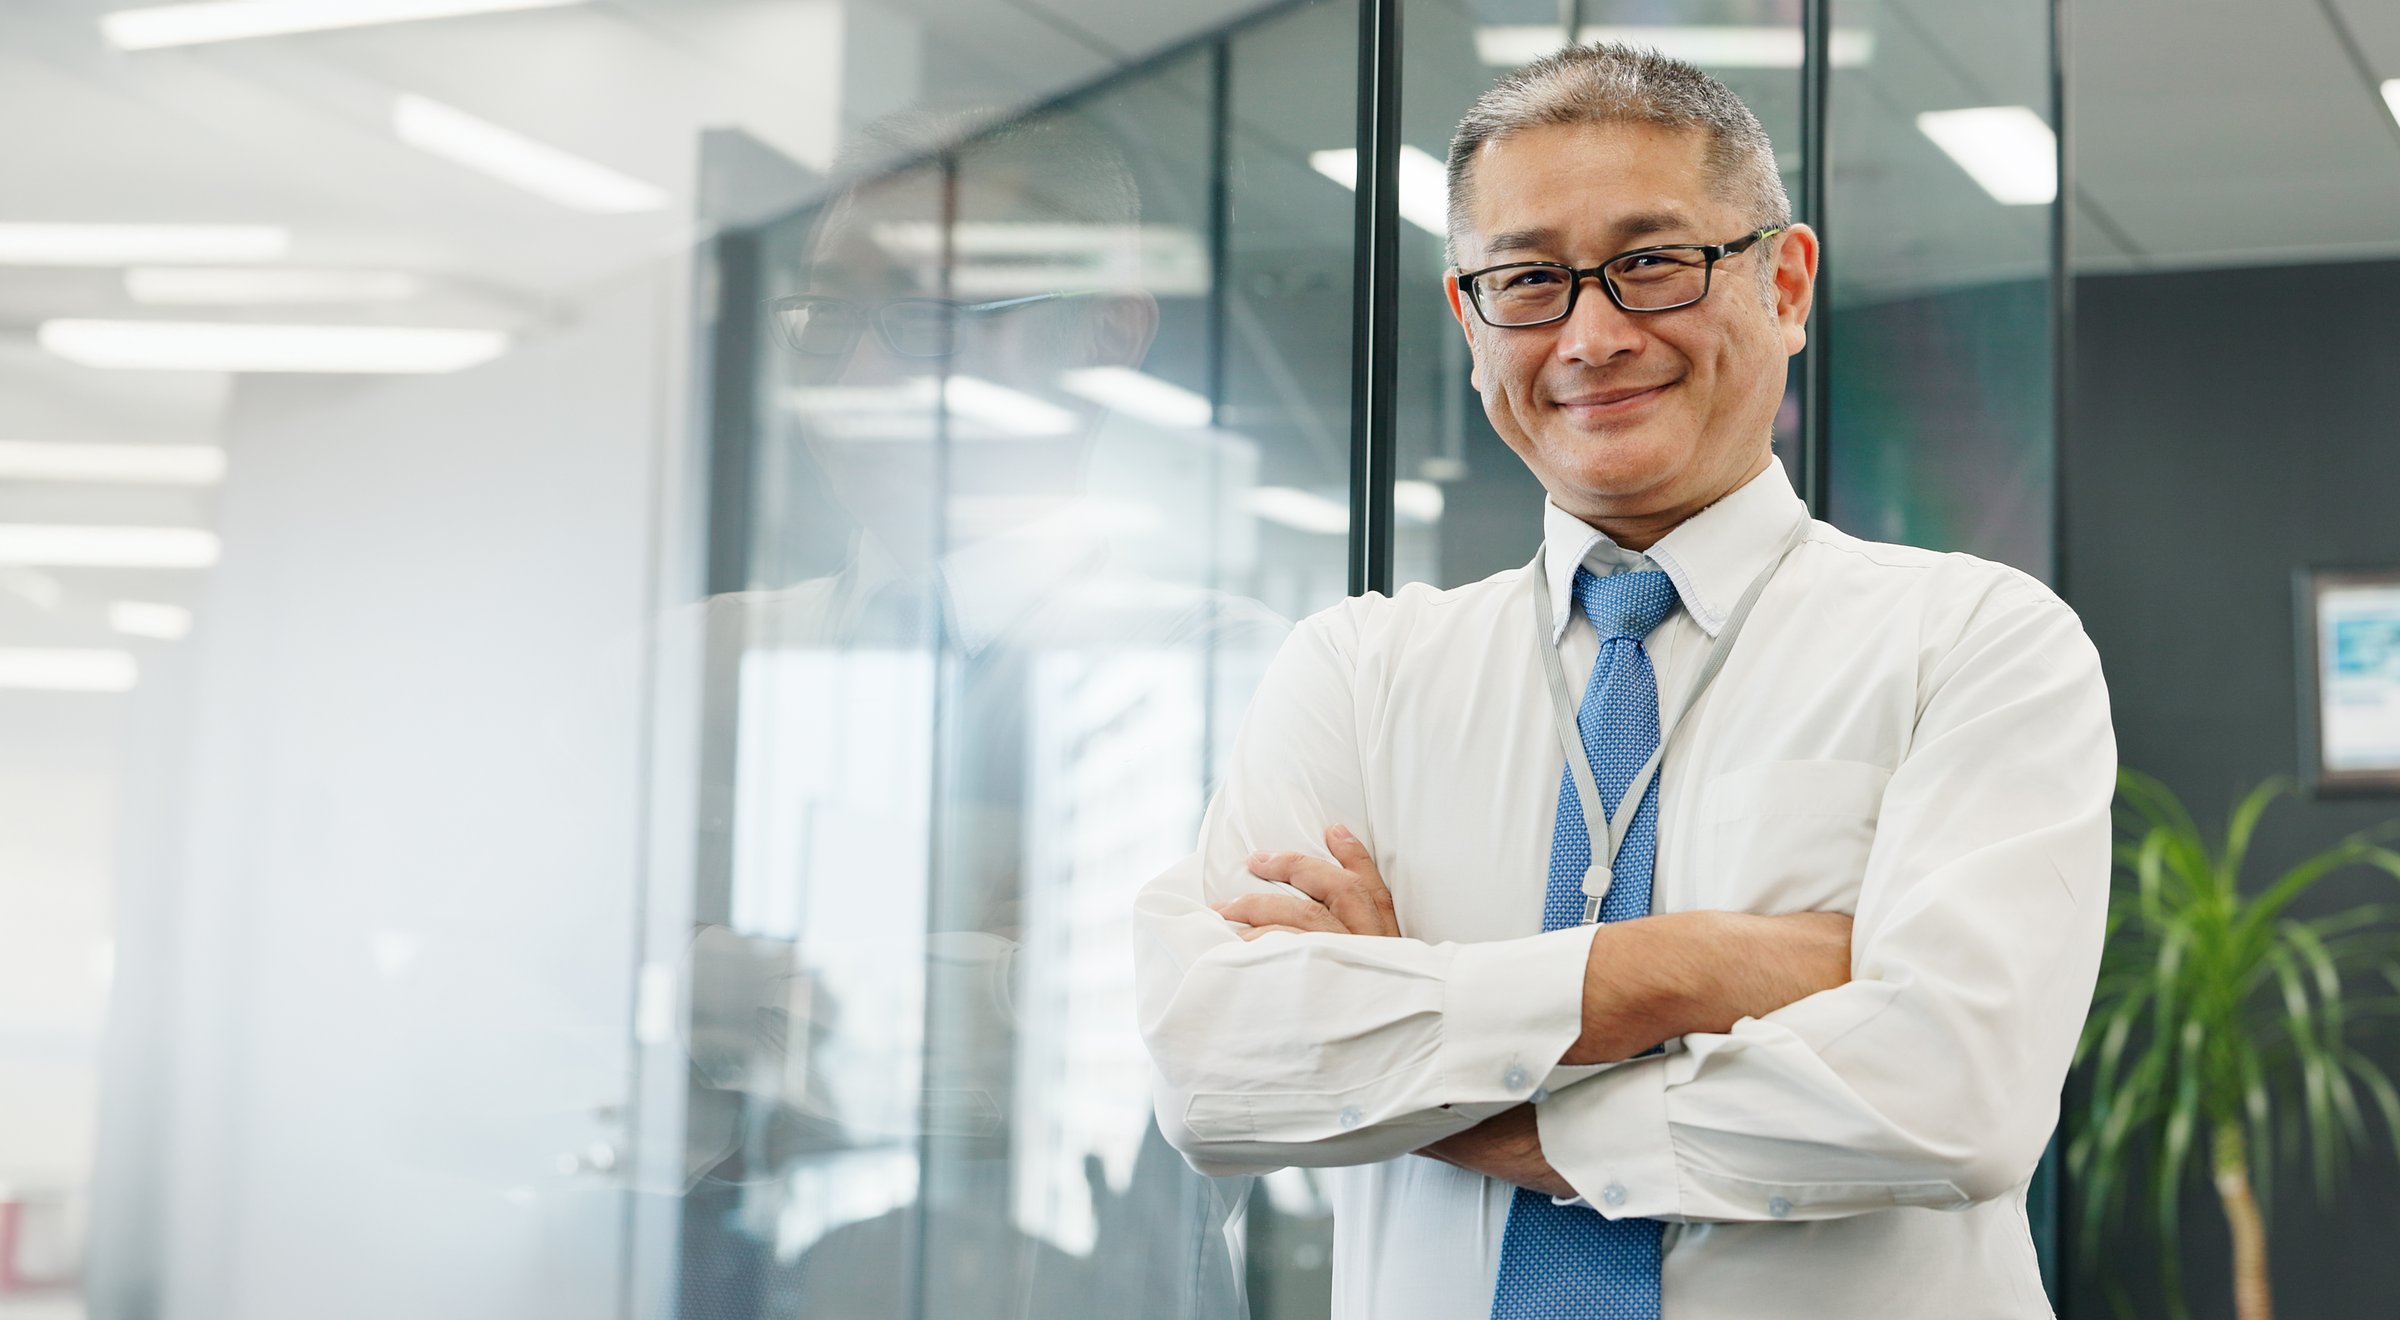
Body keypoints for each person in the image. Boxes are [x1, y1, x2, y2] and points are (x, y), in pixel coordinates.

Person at [1134, 43, 2114, 1320]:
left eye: (1653, 262)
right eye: (1529, 279)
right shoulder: (1358, 672)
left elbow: (1952, 1100)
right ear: (1470, 322)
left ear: (1788, 282)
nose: (1592, 336)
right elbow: (1216, 1074)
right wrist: (1698, 966)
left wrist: (1427, 1077)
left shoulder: (1976, 640)